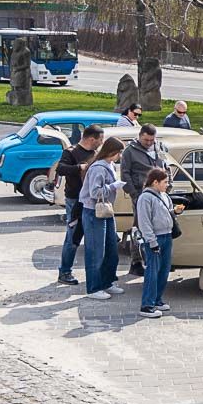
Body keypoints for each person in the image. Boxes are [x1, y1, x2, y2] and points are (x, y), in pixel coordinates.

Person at [54, 124, 104, 285]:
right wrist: (79, 168)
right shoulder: (71, 152)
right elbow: (60, 169)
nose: (101, 143)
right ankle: (65, 272)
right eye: (100, 140)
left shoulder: (95, 153)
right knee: (73, 236)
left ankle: (97, 274)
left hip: (91, 200)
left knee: (95, 237)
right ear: (91, 139)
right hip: (75, 200)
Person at [80, 137, 126, 300]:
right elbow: (94, 192)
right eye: (119, 152)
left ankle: (107, 282)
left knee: (110, 249)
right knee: (96, 251)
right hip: (94, 212)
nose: (120, 156)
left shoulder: (109, 165)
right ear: (112, 152)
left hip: (105, 210)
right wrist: (113, 186)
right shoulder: (98, 168)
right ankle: (94, 287)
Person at [121, 124, 166, 277]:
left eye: (151, 140)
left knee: (157, 226)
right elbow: (125, 174)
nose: (148, 143)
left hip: (159, 194)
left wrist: (168, 185)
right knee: (140, 227)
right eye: (146, 140)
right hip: (141, 195)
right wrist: (134, 194)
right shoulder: (130, 151)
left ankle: (154, 258)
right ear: (140, 136)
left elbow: (166, 167)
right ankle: (136, 261)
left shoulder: (159, 147)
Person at [137, 168, 176, 318]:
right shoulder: (145, 198)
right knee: (152, 272)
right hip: (155, 238)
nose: (167, 185)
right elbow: (144, 222)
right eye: (165, 182)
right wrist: (152, 241)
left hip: (167, 235)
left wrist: (175, 212)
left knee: (164, 270)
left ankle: (157, 299)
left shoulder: (164, 195)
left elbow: (167, 212)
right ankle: (147, 305)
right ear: (155, 182)